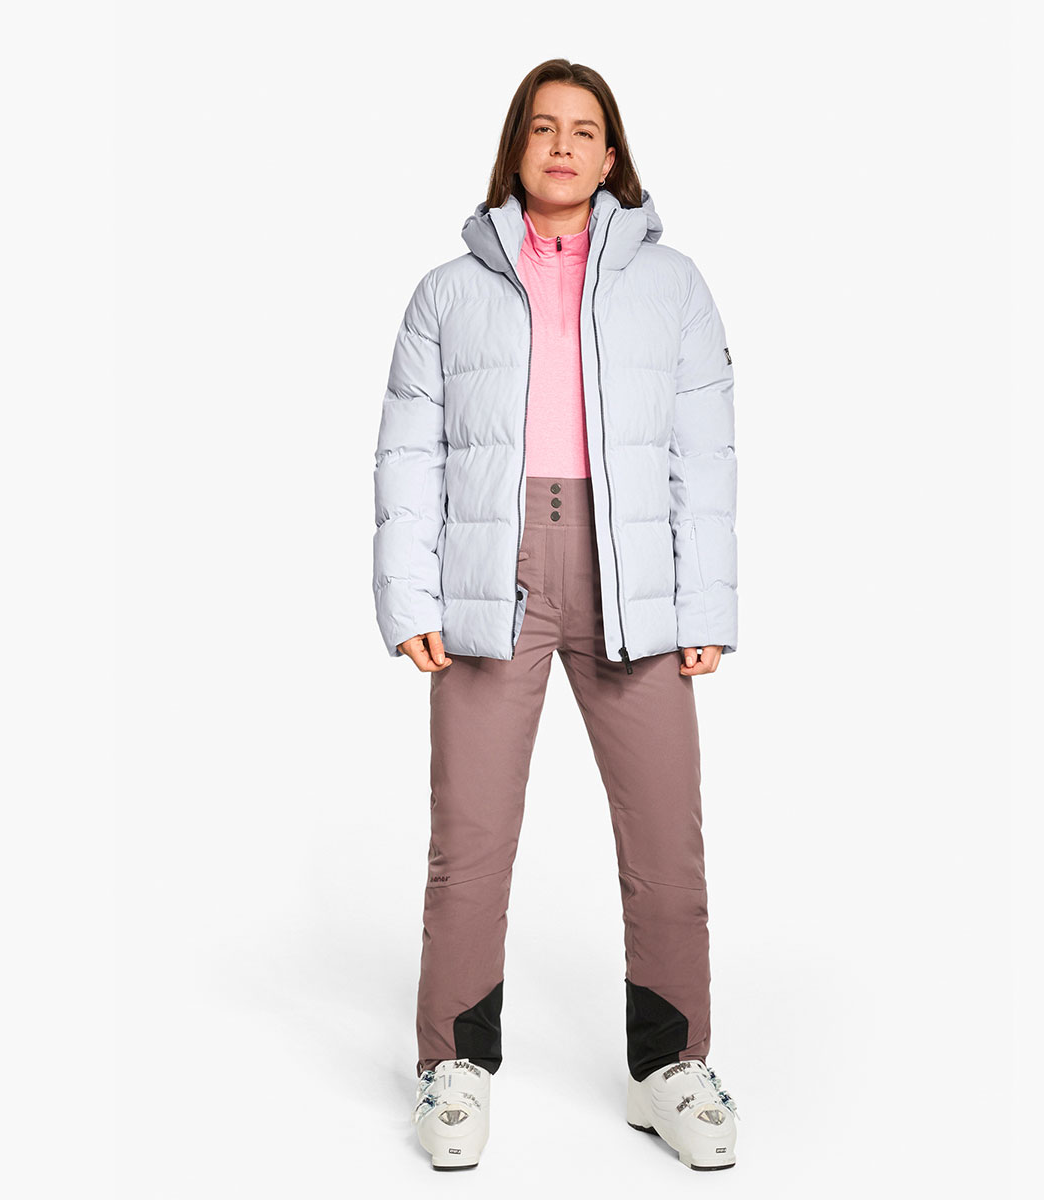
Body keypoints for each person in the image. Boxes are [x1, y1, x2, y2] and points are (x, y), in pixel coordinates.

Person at [373, 59, 740, 1172]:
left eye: (585, 130)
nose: (565, 146)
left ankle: (670, 1068)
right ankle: (453, 1066)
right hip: (495, 572)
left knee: (666, 836)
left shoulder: (672, 286)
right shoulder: (448, 292)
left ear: (612, 155)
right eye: (544, 128)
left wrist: (704, 601)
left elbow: (703, 455)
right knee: (471, 838)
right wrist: (410, 596)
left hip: (634, 577)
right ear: (517, 148)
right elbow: (407, 454)